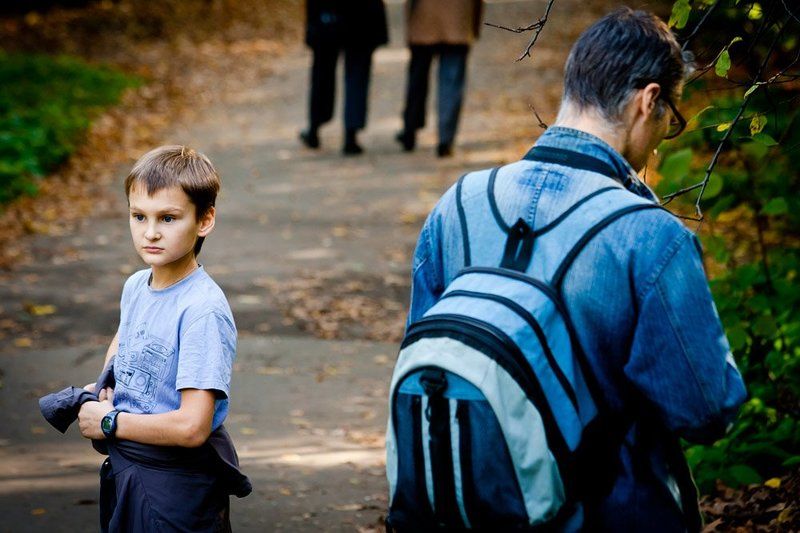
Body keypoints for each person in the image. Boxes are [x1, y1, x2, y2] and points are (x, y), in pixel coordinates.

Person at [402, 8, 746, 531]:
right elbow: (705, 409)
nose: (662, 136)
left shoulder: (457, 206)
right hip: (612, 514)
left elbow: (428, 362)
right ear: (649, 100)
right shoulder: (651, 237)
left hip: (473, 510)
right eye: (670, 119)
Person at [75, 145, 249, 531]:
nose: (150, 232)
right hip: (129, 473)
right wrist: (104, 390)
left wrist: (110, 422)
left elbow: (192, 426)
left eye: (168, 218)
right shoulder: (137, 286)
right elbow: (122, 344)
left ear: (204, 220)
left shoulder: (202, 309)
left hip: (176, 490)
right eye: (139, 216)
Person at [396, 0, 483, 157]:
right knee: (451, 82)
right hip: (458, 20)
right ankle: (445, 139)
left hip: (423, 19)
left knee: (417, 79)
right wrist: (474, 25)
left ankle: (410, 129)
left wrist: (409, 25)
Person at [299, 0, 388, 155]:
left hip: (327, 18)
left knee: (322, 76)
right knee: (356, 77)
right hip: (360, 20)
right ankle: (350, 134)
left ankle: (315, 128)